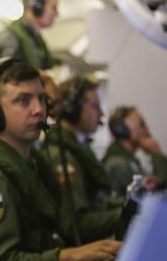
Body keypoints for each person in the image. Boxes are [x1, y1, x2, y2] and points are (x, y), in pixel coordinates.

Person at [0, 59, 121, 260]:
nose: (39, 110)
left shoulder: (33, 165)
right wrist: (67, 257)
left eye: (42, 99)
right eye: (23, 100)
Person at [41, 75, 121, 243]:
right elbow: (75, 225)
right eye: (95, 106)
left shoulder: (80, 148)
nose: (101, 113)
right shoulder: (63, 157)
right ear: (72, 109)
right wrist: (126, 214)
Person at [0, 0, 60, 70]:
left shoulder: (37, 40)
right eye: (54, 7)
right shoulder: (11, 38)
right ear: (37, 7)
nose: (57, 14)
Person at [104, 105, 167, 197]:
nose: (147, 129)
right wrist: (156, 153)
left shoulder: (127, 160)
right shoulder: (118, 165)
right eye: (141, 124)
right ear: (122, 131)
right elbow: (153, 193)